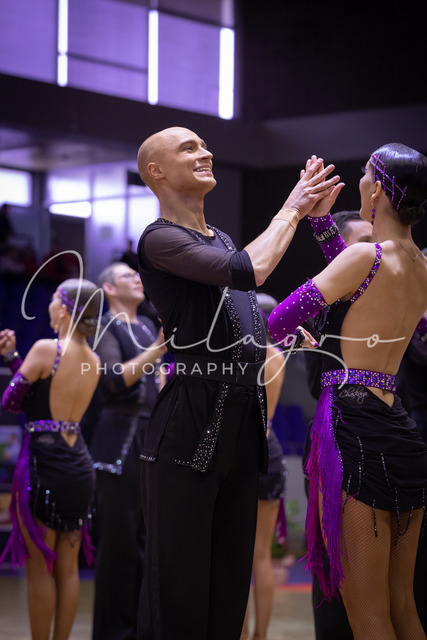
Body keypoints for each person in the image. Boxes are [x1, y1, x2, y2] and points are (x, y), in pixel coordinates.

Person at [135, 125, 342, 640]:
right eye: (189, 148)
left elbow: (240, 320)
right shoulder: (159, 238)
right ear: (156, 172)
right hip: (189, 420)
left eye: (204, 144)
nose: (204, 152)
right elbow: (252, 269)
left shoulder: (222, 238)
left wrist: (285, 329)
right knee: (179, 590)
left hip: (242, 420)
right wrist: (293, 207)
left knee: (228, 587)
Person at [268, 142, 427, 639]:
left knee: (368, 613)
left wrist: (303, 336)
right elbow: (365, 286)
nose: (359, 181)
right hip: (400, 429)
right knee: (403, 606)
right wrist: (321, 223)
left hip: (352, 428)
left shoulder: (365, 256)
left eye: (363, 174)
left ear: (376, 188)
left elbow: (277, 320)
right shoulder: (420, 266)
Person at [0, 278, 101, 640]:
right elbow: (40, 397)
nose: (49, 305)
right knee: (69, 569)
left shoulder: (47, 349)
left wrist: (13, 362)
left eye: (54, 298)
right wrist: (14, 359)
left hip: (44, 465)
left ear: (65, 307)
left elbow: (12, 402)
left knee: (40, 568)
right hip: (78, 465)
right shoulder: (94, 360)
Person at [87, 261, 166, 640]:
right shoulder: (105, 326)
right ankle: (114, 633)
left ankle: (140, 629)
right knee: (118, 542)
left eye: (137, 275)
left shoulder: (147, 325)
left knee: (146, 541)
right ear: (109, 288)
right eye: (127, 276)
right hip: (119, 440)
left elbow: (158, 379)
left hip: (151, 437)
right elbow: (115, 379)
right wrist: (159, 349)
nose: (137, 278)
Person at [240, 293, 287, 640]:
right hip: (270, 449)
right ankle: (260, 636)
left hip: (245, 452)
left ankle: (240, 634)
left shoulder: (245, 355)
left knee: (238, 555)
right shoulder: (277, 355)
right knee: (260, 556)